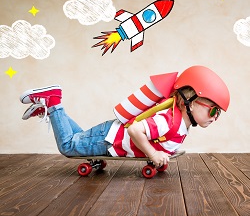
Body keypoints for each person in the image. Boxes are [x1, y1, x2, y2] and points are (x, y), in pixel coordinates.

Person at [19, 66, 230, 167]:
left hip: (110, 135)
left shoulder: (179, 122)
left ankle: (50, 111)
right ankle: (53, 102)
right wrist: (153, 154)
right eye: (213, 110)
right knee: (68, 146)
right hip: (109, 139)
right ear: (188, 103)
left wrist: (157, 153)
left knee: (77, 138)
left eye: (217, 113)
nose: (214, 117)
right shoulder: (168, 120)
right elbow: (134, 129)